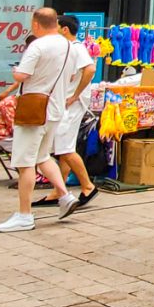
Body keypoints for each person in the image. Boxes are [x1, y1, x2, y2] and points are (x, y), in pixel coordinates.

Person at [0, 8, 80, 233]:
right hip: (55, 110)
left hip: (34, 111)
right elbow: (73, 75)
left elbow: (22, 75)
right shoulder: (70, 47)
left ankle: (24, 215)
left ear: (36, 24)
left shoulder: (38, 45)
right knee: (42, 156)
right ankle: (65, 196)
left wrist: (16, 71)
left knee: (25, 163)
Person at [32, 16, 98, 208]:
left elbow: (90, 69)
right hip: (66, 103)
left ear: (65, 29)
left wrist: (75, 95)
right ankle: (59, 190)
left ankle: (88, 186)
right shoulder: (68, 49)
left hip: (71, 105)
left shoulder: (76, 48)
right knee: (63, 147)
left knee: (65, 148)